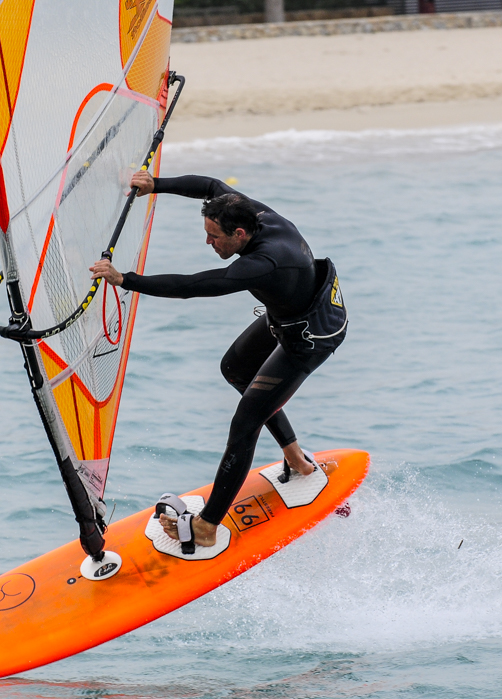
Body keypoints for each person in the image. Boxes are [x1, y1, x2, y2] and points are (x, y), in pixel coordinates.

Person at [91, 173, 347, 548]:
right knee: (235, 369)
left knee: (245, 423)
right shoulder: (247, 213)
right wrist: (156, 185)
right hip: (287, 316)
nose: (208, 241)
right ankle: (297, 459)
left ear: (240, 234)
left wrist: (125, 279)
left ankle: (208, 526)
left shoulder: (265, 261)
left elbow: (194, 287)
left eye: (215, 237)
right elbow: (212, 187)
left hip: (308, 338)